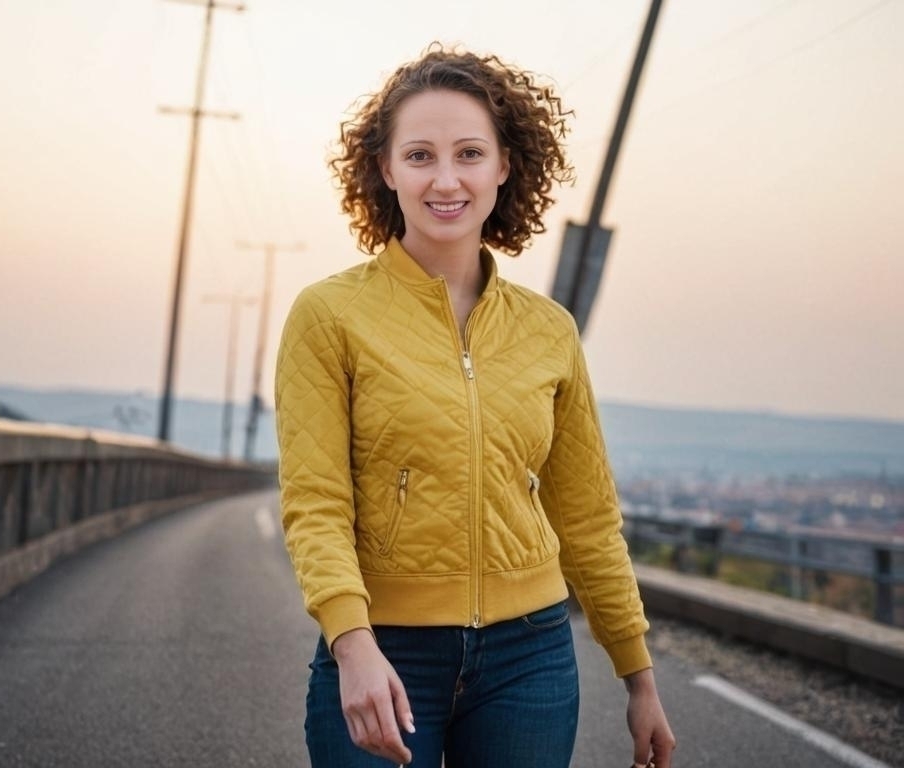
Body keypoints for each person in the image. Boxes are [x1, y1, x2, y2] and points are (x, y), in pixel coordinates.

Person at [274, 42, 676, 768]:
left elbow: (585, 515)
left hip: (532, 659)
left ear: (503, 167)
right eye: (421, 156)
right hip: (383, 650)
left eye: (468, 153)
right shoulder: (329, 315)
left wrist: (638, 675)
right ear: (387, 169)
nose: (446, 179)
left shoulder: (548, 329)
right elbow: (316, 502)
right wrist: (351, 642)